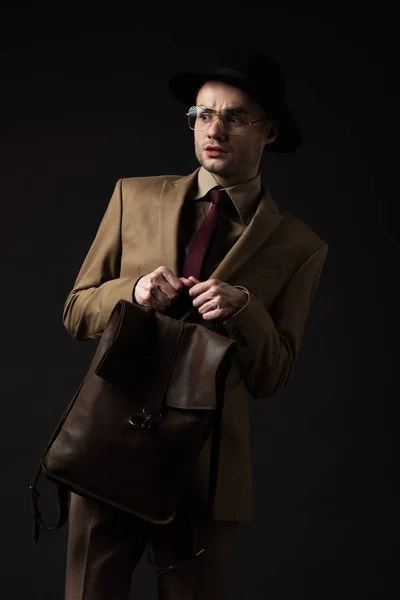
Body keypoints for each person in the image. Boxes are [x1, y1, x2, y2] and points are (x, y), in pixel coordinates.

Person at [61, 49, 328, 600]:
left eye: (235, 117)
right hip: (108, 446)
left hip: (205, 473)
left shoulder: (300, 246)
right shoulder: (132, 196)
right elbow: (76, 310)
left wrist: (245, 308)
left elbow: (273, 377)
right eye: (203, 114)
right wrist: (130, 293)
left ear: (270, 132)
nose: (215, 130)